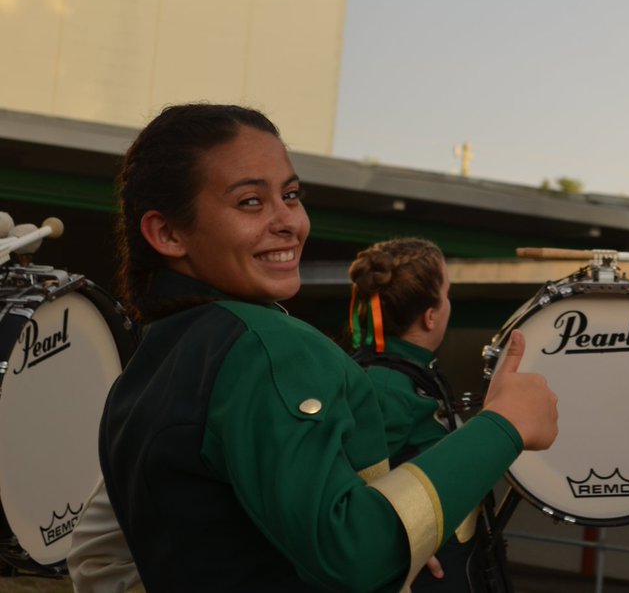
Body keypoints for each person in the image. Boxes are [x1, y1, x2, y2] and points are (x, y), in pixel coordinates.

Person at [89, 103, 557, 592]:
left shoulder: (151, 359)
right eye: (250, 202)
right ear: (167, 233)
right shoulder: (266, 345)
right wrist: (504, 425)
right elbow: (351, 552)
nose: (288, 221)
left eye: (290, 195)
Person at [346, 237, 508, 592]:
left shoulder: (404, 374)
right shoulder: (385, 385)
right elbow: (344, 487)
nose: (450, 304)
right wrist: (391, 543)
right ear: (430, 316)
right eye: (446, 294)